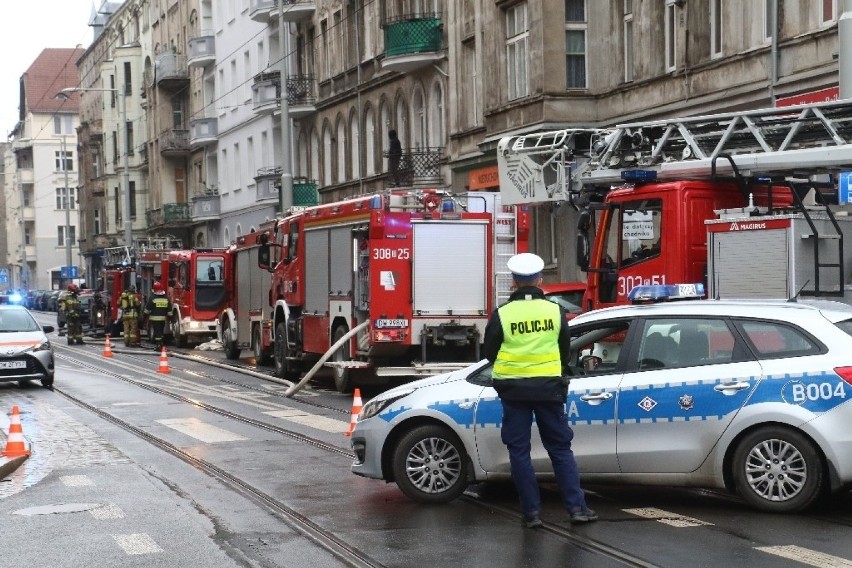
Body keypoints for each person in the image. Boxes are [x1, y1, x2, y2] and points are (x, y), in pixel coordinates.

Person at [483, 253, 597, 528]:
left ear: (513, 282)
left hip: (513, 391)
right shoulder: (554, 311)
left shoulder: (502, 313)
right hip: (549, 389)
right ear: (540, 280)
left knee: (519, 451)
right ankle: (576, 509)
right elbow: (564, 350)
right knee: (560, 449)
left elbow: (489, 352)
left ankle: (532, 513)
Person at [143, 281, 171, 350]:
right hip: (163, 319)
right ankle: (161, 345)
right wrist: (171, 319)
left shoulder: (152, 298)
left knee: (157, 332)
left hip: (154, 319)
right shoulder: (166, 298)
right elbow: (169, 310)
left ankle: (158, 346)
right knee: (161, 332)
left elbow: (147, 309)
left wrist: (144, 317)